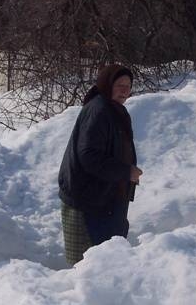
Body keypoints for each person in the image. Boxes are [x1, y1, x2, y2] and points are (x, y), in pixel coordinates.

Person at [57, 64, 142, 265]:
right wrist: (125, 171)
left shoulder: (114, 110)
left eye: (128, 86)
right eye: (119, 85)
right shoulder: (99, 111)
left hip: (105, 199)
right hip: (88, 202)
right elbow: (88, 155)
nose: (124, 90)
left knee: (106, 262)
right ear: (107, 85)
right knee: (88, 266)